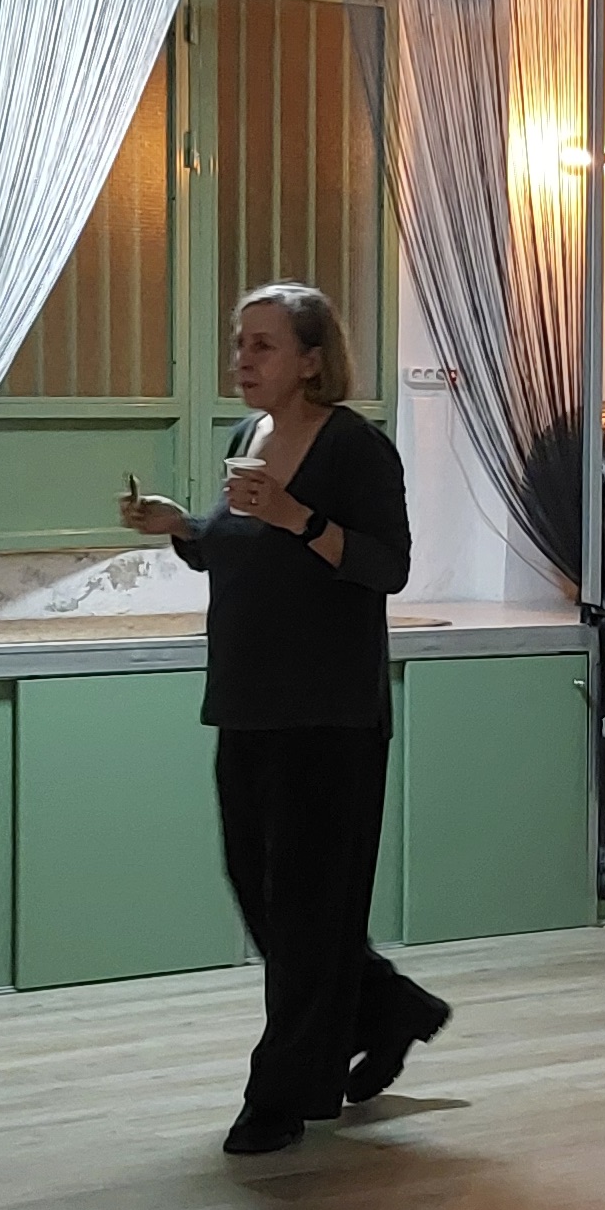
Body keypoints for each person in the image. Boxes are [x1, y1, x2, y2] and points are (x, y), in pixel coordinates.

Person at [121, 283, 450, 1156]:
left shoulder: (356, 449)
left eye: (262, 345)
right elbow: (243, 549)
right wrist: (183, 527)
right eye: (240, 343)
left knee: (307, 910)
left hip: (329, 716)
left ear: (311, 359)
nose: (242, 359)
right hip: (248, 703)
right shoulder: (248, 439)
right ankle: (387, 1006)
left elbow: (385, 566)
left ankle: (283, 1097)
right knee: (264, 893)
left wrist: (299, 517)